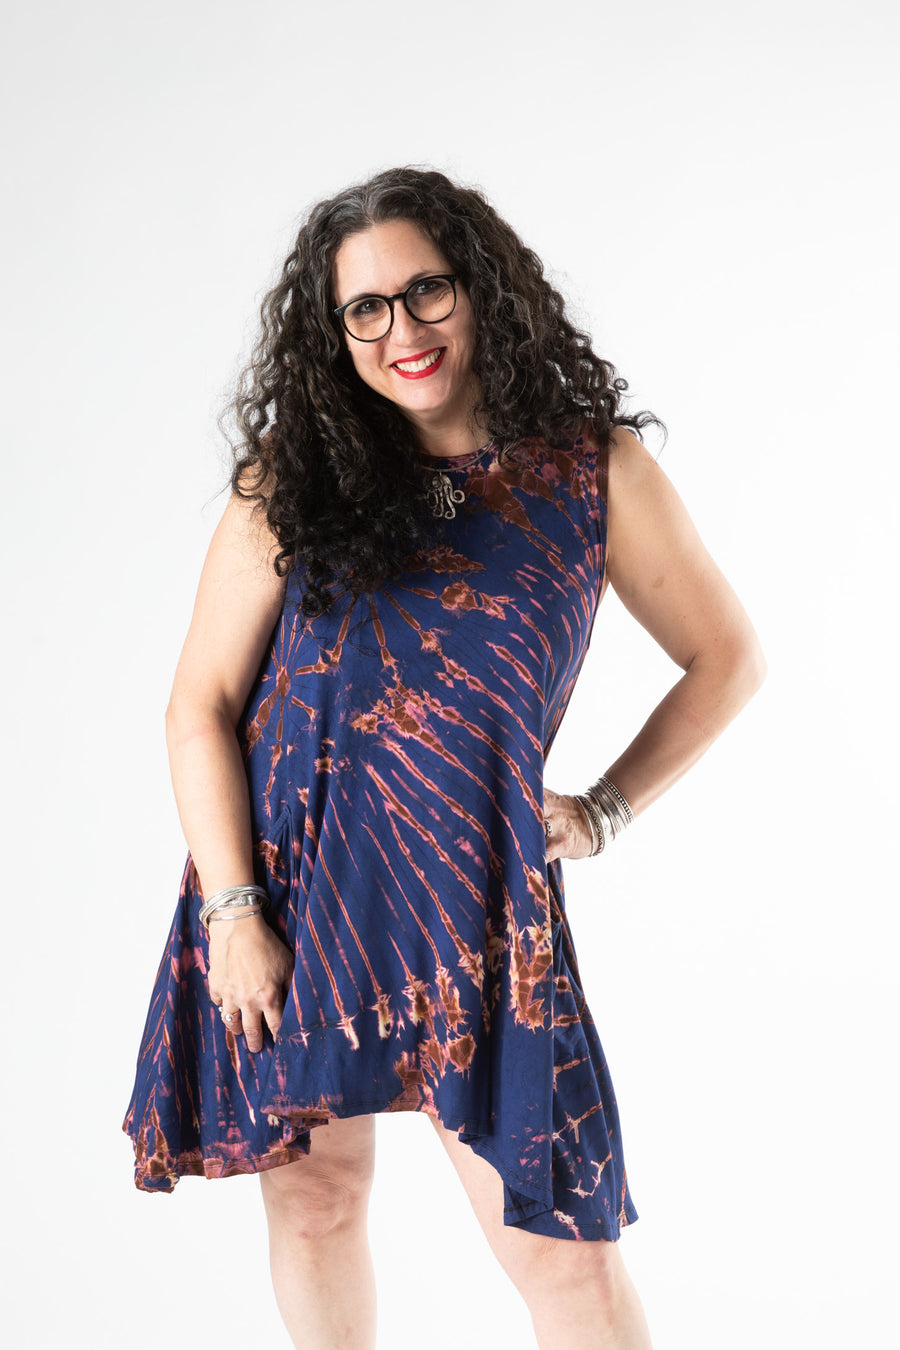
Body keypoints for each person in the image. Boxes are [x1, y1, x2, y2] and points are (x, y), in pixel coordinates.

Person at [124, 167, 764, 1350]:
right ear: (335, 335)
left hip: (477, 906)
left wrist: (606, 810)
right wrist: (233, 912)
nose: (400, 330)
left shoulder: (592, 473)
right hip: (292, 894)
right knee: (317, 1200)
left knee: (564, 1258)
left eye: (426, 291)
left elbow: (726, 658)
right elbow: (199, 707)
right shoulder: (289, 483)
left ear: (484, 290)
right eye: (365, 309)